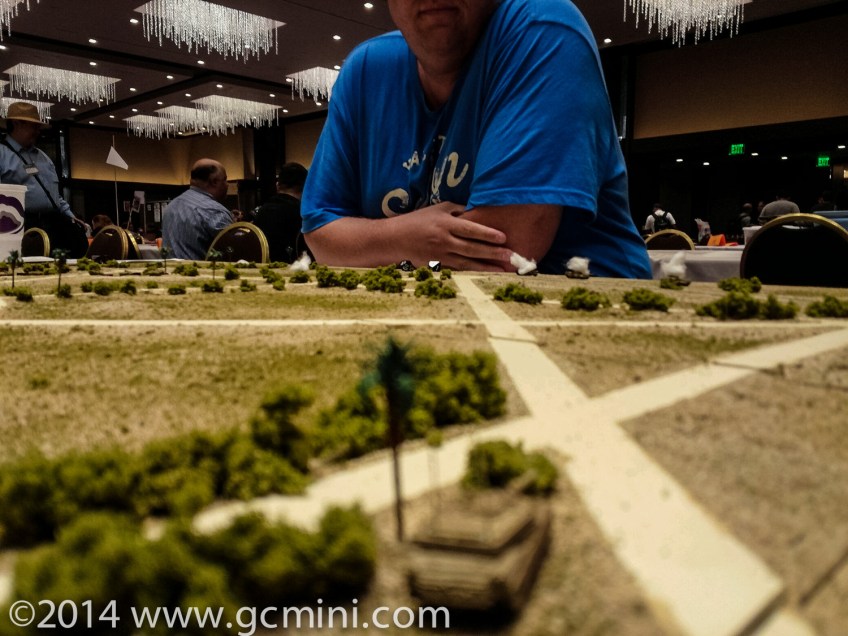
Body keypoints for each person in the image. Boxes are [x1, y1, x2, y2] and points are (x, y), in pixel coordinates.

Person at [301, 0, 651, 278]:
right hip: (429, 309)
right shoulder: (364, 69)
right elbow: (320, 236)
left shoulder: (541, 27)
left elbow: (507, 254)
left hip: (590, 306)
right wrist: (406, 238)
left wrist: (372, 244)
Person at [0, 101, 89, 256]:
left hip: (54, 226)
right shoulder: (2, 154)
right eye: (34, 126)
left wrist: (70, 215)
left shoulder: (43, 157)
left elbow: (54, 195)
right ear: (16, 123)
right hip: (21, 227)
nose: (38, 131)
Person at [161, 158, 232, 260]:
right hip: (199, 270)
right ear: (214, 181)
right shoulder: (214, 211)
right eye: (225, 179)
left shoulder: (172, 205)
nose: (227, 184)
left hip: (167, 269)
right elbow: (233, 254)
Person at [254, 162, 309, 263]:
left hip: (261, 269)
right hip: (295, 270)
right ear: (305, 187)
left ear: (277, 186)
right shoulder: (304, 215)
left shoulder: (260, 211)